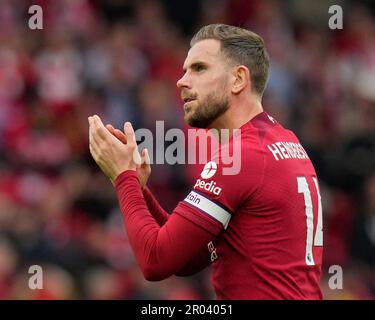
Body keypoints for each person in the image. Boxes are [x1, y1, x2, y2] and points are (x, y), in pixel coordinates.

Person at [88, 24, 323, 299]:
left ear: (238, 80)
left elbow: (155, 261)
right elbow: (187, 258)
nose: (182, 81)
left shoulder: (244, 156)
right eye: (185, 69)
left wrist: (123, 177)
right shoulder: (282, 141)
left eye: (199, 69)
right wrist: (138, 189)